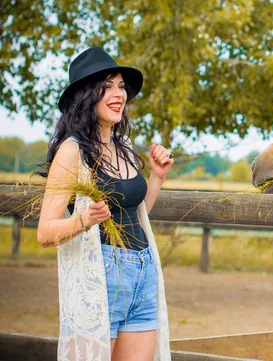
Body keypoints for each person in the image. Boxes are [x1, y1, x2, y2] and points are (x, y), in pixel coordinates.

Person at [37, 46, 173, 361]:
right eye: (107, 85)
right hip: (102, 276)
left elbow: (136, 218)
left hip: (143, 271)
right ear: (86, 95)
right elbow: (45, 232)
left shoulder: (123, 145)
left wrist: (156, 178)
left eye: (121, 86)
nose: (119, 94)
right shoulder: (72, 152)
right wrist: (83, 220)